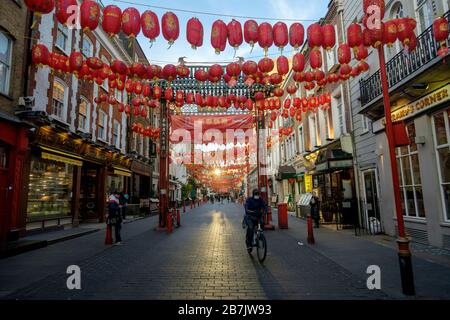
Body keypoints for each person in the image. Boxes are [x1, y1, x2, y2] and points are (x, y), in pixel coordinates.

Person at [244, 189, 268, 253]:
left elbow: (264, 205)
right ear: (253, 194)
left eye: (258, 194)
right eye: (256, 194)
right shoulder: (249, 200)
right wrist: (249, 211)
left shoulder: (260, 199)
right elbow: (246, 207)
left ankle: (260, 236)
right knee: (251, 228)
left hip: (258, 216)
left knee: (262, 223)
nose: (257, 196)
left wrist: (266, 210)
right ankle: (249, 243)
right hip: (250, 216)